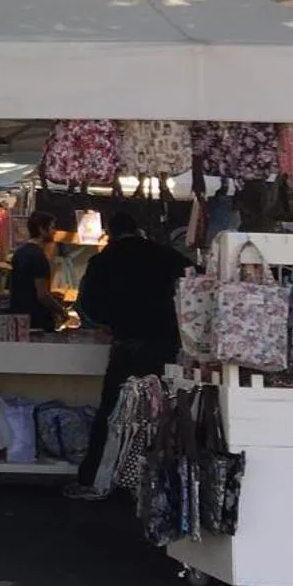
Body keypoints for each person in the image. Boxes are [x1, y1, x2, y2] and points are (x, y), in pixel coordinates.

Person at [66, 211, 193, 500]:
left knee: (113, 411)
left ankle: (94, 478)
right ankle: (157, 481)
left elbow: (87, 304)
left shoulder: (103, 261)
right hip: (167, 342)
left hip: (128, 342)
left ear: (110, 231)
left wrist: (109, 324)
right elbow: (195, 280)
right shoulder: (165, 255)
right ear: (137, 229)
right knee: (164, 412)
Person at [8, 212, 68, 332]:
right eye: (52, 227)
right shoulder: (38, 257)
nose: (54, 231)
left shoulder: (19, 253)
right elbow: (42, 295)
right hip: (37, 321)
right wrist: (62, 311)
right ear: (42, 229)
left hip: (19, 319)